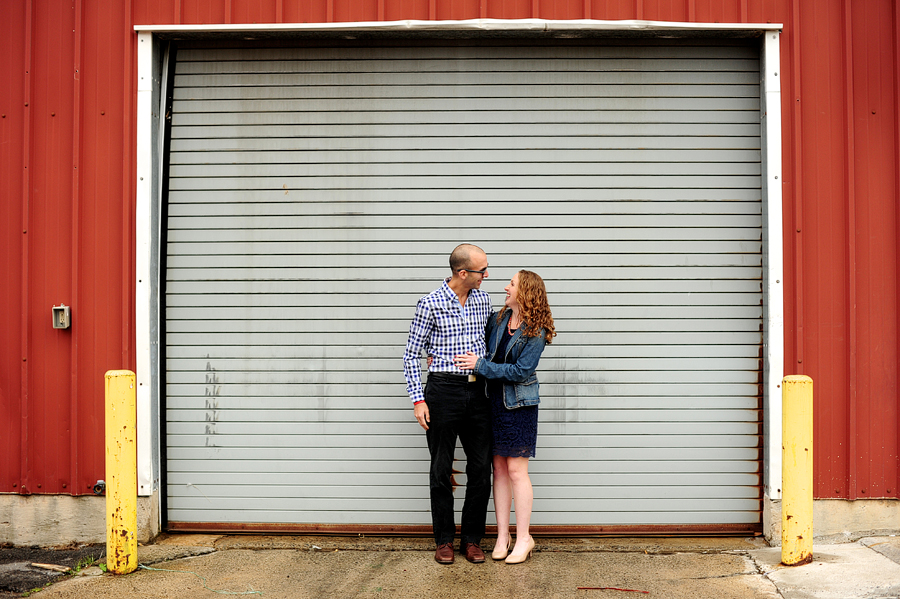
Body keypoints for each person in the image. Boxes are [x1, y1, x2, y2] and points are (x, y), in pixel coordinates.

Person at [454, 270, 556, 565]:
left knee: (516, 471)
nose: (505, 287)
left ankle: (523, 537)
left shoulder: (536, 331)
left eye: (511, 284)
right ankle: (502, 536)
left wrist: (481, 366)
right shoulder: (498, 320)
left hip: (519, 407)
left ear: (525, 292)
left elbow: (520, 372)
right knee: (498, 470)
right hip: (492, 403)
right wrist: (441, 354)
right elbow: (472, 339)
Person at [402, 244, 493, 565]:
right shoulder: (429, 304)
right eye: (482, 270)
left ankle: (471, 539)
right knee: (441, 468)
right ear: (463, 273)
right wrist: (418, 400)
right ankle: (443, 540)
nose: (487, 275)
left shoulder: (484, 301)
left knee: (481, 468)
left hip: (478, 392)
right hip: (442, 391)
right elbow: (412, 354)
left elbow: (491, 342)